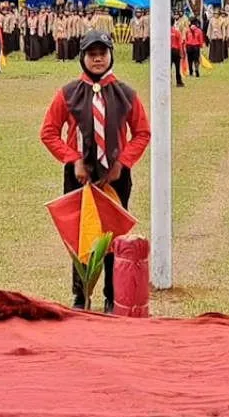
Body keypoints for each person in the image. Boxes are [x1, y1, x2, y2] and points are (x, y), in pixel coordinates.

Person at [39, 29, 151, 312]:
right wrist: (73, 158)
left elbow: (142, 133)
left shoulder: (125, 94)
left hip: (115, 179)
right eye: (92, 54)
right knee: (81, 238)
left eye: (102, 53)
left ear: (111, 55)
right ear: (83, 57)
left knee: (114, 238)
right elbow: (49, 132)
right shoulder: (67, 93)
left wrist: (122, 163)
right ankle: (81, 296)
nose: (98, 59)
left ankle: (112, 297)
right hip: (79, 177)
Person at [170, 16, 185, 86]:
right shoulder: (177, 32)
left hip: (168, 52)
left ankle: (167, 81)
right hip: (176, 51)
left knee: (167, 68)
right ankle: (179, 82)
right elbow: (180, 43)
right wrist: (181, 52)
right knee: (177, 67)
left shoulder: (164, 33)